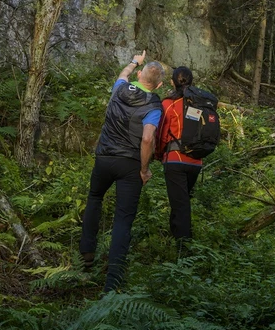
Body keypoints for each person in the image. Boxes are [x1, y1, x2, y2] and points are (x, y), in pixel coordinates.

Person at [80, 50, 163, 292]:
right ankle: (113, 281)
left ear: (139, 74)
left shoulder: (120, 88)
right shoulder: (154, 104)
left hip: (104, 157)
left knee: (95, 197)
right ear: (158, 85)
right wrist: (145, 169)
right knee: (123, 219)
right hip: (130, 166)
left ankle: (86, 253)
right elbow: (148, 138)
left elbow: (123, 73)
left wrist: (134, 61)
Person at [155, 66, 203, 248]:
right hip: (196, 161)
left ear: (172, 82)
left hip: (175, 159)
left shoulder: (168, 104)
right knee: (181, 201)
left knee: (180, 204)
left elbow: (161, 134)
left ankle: (184, 250)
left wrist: (159, 154)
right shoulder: (199, 103)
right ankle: (176, 238)